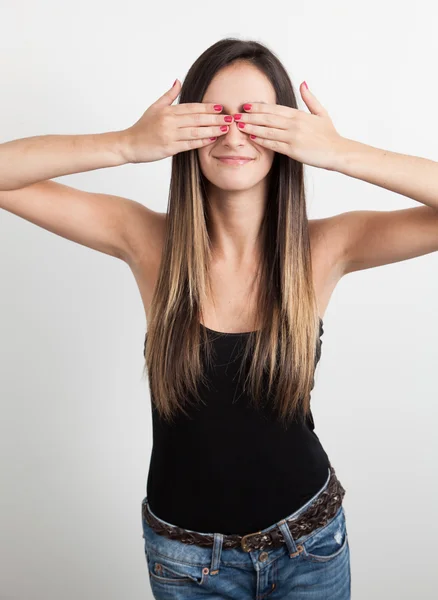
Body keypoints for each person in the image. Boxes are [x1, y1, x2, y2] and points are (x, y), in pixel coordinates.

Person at [2, 37, 438, 600]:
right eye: (215, 118)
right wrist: (126, 145)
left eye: (258, 119)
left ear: (289, 134)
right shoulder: (147, 242)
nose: (234, 135)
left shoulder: (325, 247)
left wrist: (337, 152)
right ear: (185, 129)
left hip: (309, 546)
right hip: (184, 562)